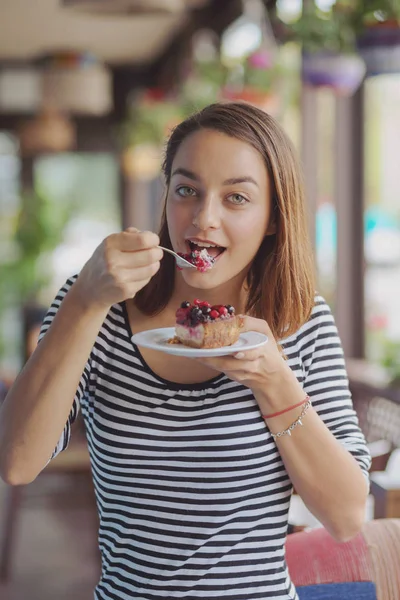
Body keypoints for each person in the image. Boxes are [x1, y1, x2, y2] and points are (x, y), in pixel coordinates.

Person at [0, 102, 371, 600]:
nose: (203, 218)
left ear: (273, 219)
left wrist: (274, 382)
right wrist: (85, 299)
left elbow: (347, 517)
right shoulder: (99, 307)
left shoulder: (300, 320)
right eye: (187, 190)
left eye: (236, 198)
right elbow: (17, 463)